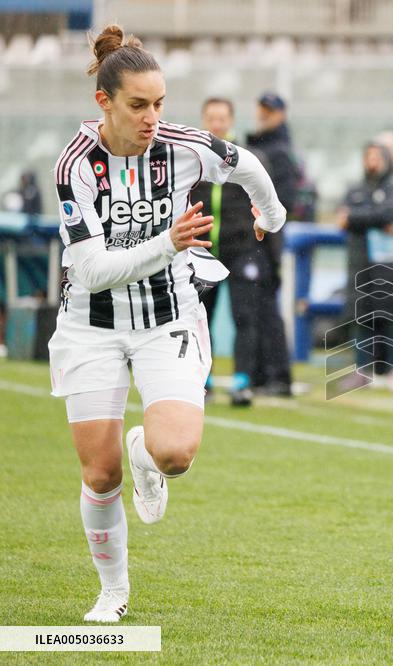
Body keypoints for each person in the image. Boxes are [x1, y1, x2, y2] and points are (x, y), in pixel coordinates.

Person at [48, 25, 285, 622]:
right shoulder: (75, 166)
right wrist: (167, 242)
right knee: (99, 474)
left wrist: (271, 214)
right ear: (104, 102)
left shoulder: (183, 146)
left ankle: (145, 452)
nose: (152, 117)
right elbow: (93, 270)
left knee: (175, 453)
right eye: (138, 105)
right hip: (92, 324)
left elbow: (248, 164)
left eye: (159, 103)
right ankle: (113, 594)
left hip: (167, 316)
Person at [191, 97, 291, 405]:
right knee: (200, 318)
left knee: (244, 317)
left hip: (242, 251)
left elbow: (266, 201)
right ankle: (203, 380)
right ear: (204, 120)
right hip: (203, 249)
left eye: (222, 118)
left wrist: (270, 252)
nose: (217, 123)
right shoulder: (191, 158)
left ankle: (242, 381)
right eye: (211, 117)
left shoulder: (247, 158)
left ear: (231, 120)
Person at [335, 142, 393, 391]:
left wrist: (356, 218)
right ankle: (362, 371)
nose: (372, 161)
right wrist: (371, 218)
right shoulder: (356, 188)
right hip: (360, 263)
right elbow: (343, 216)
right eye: (368, 156)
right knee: (361, 318)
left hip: (390, 265)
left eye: (377, 156)